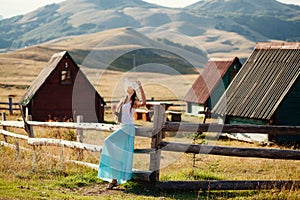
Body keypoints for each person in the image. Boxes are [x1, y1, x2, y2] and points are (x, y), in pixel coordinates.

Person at [98, 79, 146, 190]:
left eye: (131, 86)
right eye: (128, 86)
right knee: (116, 152)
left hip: (128, 129)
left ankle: (115, 178)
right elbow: (120, 118)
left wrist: (141, 87)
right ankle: (114, 179)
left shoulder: (134, 102)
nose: (129, 88)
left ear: (133, 90)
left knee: (108, 141)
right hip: (123, 127)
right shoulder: (124, 100)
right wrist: (114, 111)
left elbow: (144, 103)